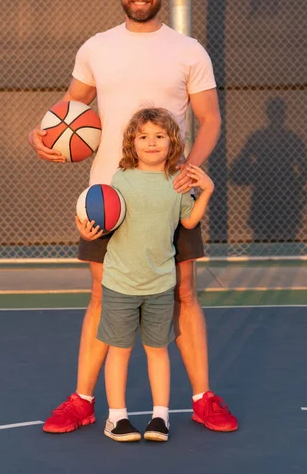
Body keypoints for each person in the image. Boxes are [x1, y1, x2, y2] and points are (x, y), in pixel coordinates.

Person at [28, 0, 237, 433]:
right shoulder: (96, 48)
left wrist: (191, 169)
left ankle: (203, 397)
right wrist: (36, 135)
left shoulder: (188, 51)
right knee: (103, 293)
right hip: (108, 195)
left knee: (184, 292)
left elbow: (210, 120)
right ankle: (82, 400)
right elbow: (69, 110)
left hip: (169, 193)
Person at [76, 108, 215, 442]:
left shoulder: (178, 183)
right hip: (120, 284)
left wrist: (206, 190)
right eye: (143, 137)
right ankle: (117, 418)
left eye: (159, 136)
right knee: (119, 350)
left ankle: (160, 417)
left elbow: (189, 222)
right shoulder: (121, 179)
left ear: (173, 141)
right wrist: (87, 230)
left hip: (160, 284)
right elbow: (100, 216)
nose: (151, 143)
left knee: (157, 350)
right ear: (132, 143)